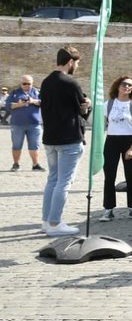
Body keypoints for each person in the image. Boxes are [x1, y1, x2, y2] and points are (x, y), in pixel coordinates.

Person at [39, 46, 91, 237]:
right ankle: (55, 223)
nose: (76, 66)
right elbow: (82, 111)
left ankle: (46, 221)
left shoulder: (45, 82)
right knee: (64, 182)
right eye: (76, 63)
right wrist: (89, 105)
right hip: (69, 139)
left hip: (50, 138)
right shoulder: (70, 82)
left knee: (52, 180)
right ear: (70, 62)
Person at [99, 76, 132, 221]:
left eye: (130, 85)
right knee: (109, 176)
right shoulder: (108, 104)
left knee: (130, 177)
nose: (127, 87)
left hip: (129, 140)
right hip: (111, 140)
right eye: (125, 84)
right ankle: (108, 209)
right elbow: (101, 125)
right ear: (118, 86)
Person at [7, 74, 43, 171]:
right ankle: (16, 164)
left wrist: (33, 101)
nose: (27, 85)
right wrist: (19, 104)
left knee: (35, 145)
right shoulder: (14, 93)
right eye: (24, 83)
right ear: (21, 83)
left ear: (32, 83)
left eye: (29, 83)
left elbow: (44, 103)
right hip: (17, 124)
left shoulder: (37, 92)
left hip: (34, 124)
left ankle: (35, 165)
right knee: (17, 145)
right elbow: (8, 106)